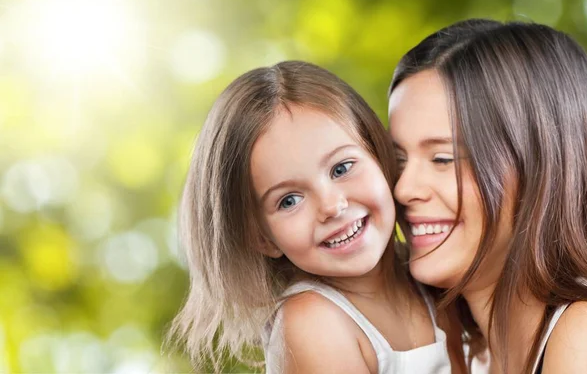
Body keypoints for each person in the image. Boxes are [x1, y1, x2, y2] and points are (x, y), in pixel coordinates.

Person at [169, 61, 459, 373]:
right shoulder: (312, 322)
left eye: (341, 168)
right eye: (289, 200)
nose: (332, 206)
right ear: (262, 238)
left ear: (379, 154)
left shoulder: (430, 268)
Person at [388, 19, 587, 374]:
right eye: (398, 160)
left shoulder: (586, 333)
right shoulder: (462, 351)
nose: (403, 189)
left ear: (538, 166)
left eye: (443, 159)